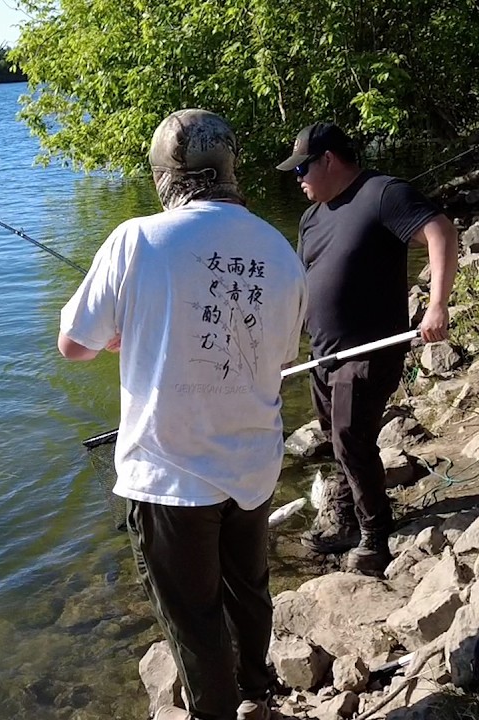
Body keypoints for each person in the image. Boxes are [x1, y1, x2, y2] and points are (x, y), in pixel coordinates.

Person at [58, 109, 306, 720]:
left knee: (193, 621)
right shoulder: (279, 250)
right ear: (230, 169)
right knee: (248, 591)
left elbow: (73, 343)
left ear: (166, 176)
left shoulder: (136, 238)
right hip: (252, 466)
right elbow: (280, 352)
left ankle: (216, 711)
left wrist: (121, 334)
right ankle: (256, 686)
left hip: (169, 477)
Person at [277, 122, 457, 577]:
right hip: (324, 354)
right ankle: (348, 513)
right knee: (339, 443)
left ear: (329, 160)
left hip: (369, 351)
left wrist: (436, 306)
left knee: (351, 441)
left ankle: (374, 538)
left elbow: (440, 232)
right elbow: (302, 285)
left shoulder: (383, 194)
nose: (297, 178)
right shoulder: (312, 216)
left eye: (302, 168)